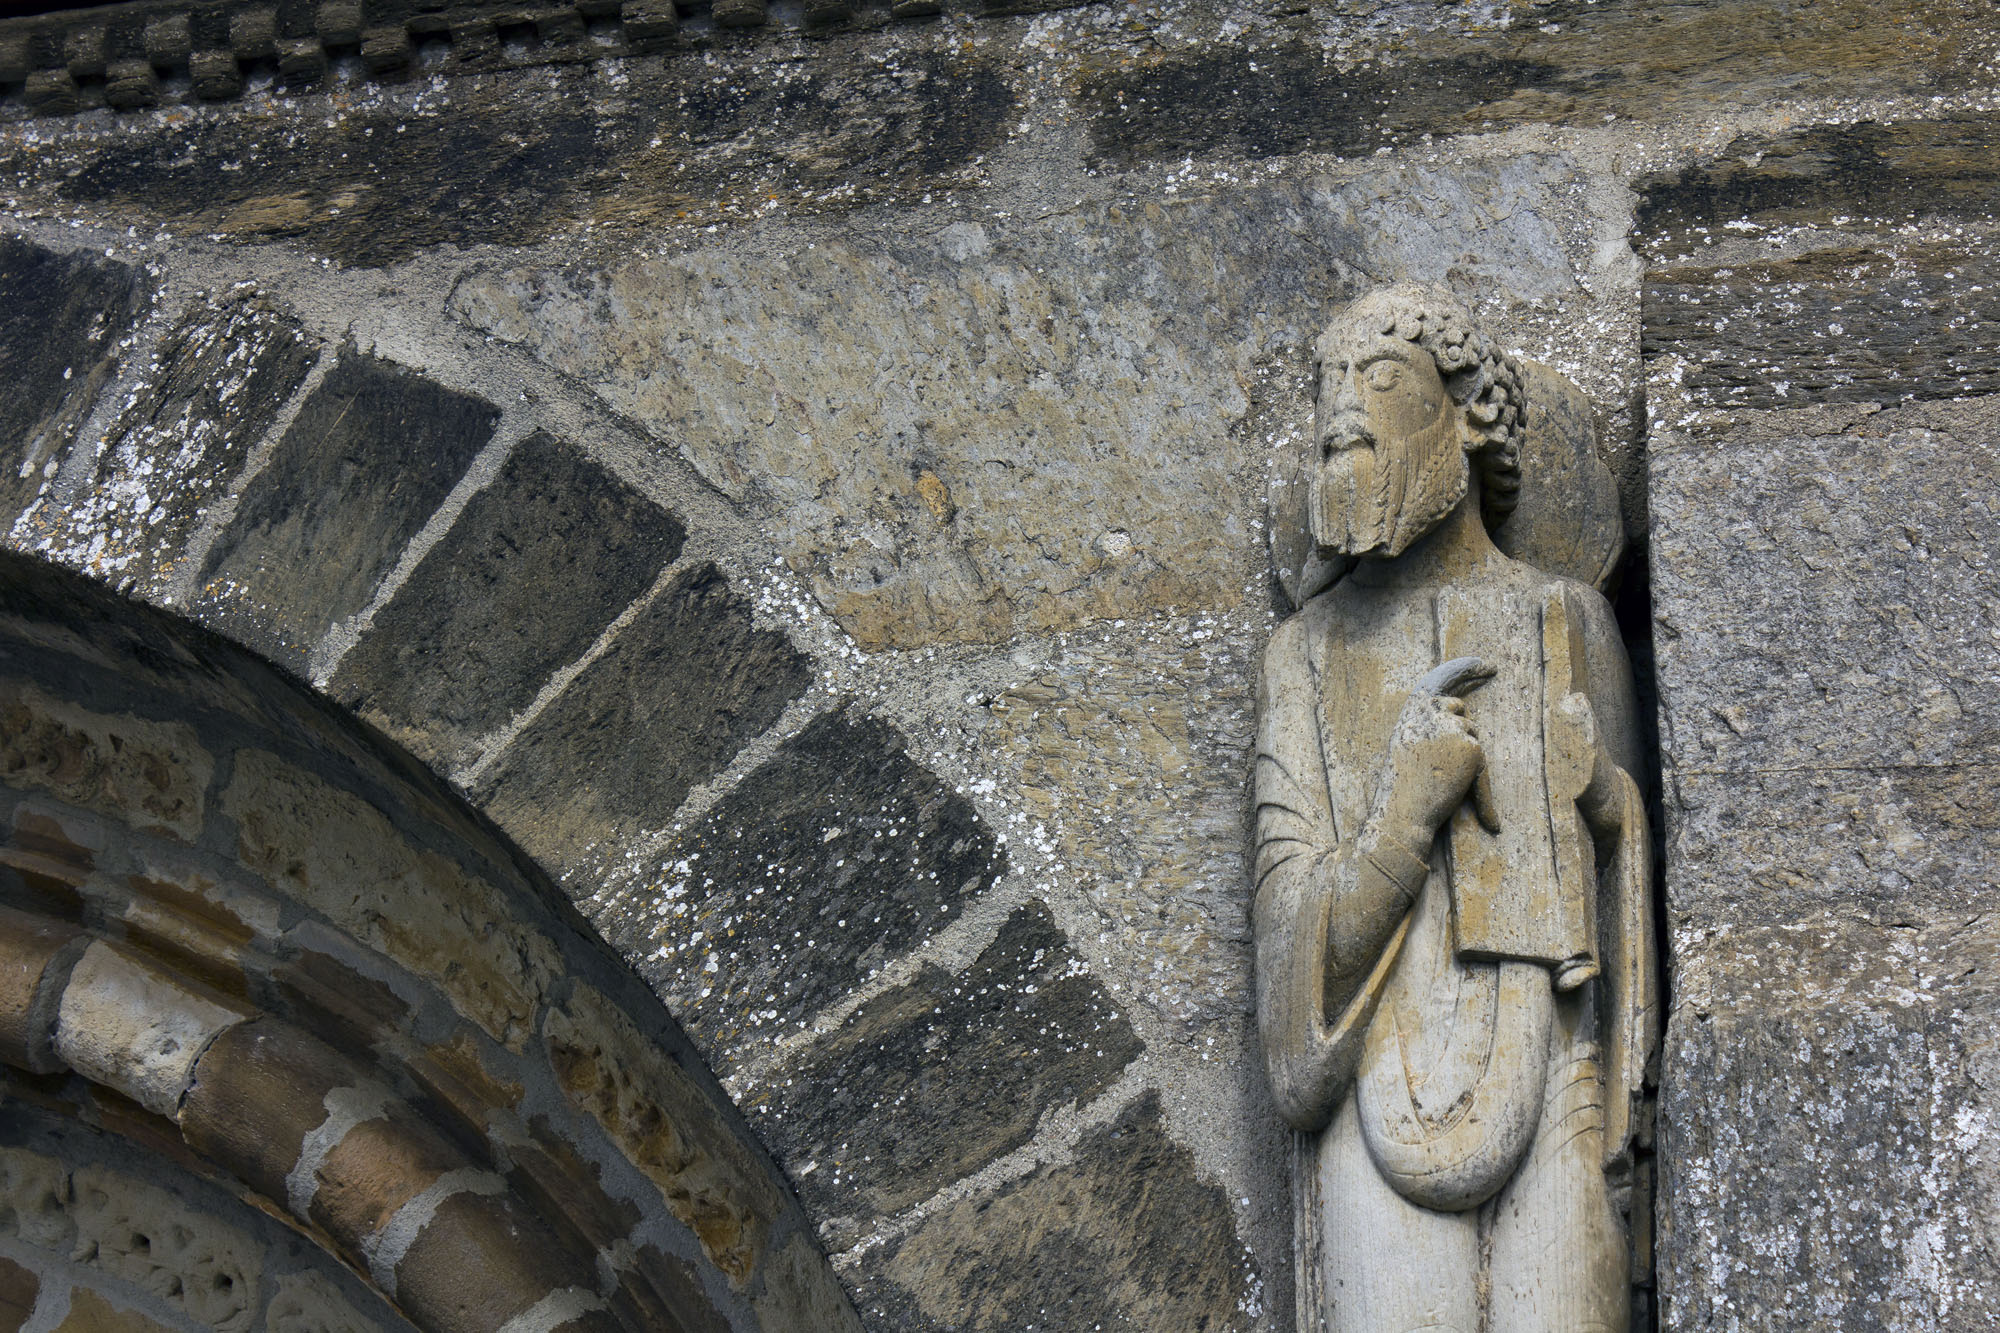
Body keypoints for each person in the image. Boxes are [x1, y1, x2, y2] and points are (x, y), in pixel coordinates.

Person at [1253, 285, 1654, 1332]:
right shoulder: (1304, 657)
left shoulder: (1564, 619)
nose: (1344, 411)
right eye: (1330, 387)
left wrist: (1598, 797)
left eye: (1381, 379)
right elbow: (1289, 950)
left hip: (1550, 1067)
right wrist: (1403, 814)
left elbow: (1624, 883)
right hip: (1376, 1093)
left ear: (1468, 416)